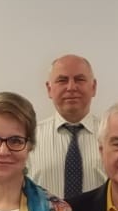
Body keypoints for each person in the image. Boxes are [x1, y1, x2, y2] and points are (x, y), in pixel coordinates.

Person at [26, 54, 103, 200]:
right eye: (62, 80)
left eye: (79, 79)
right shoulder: (28, 138)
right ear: (49, 89)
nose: (71, 87)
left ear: (93, 87)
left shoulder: (113, 136)